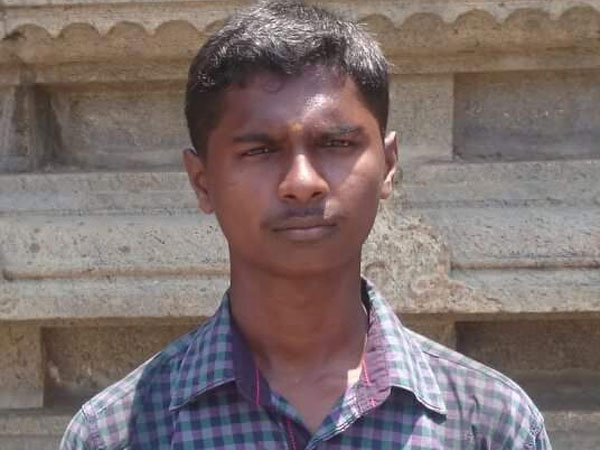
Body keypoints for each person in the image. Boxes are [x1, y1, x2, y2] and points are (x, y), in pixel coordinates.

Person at [60, 1, 552, 448]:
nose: (302, 183)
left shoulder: (489, 425)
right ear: (202, 181)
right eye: (259, 150)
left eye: (336, 144)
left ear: (388, 165)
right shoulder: (117, 433)